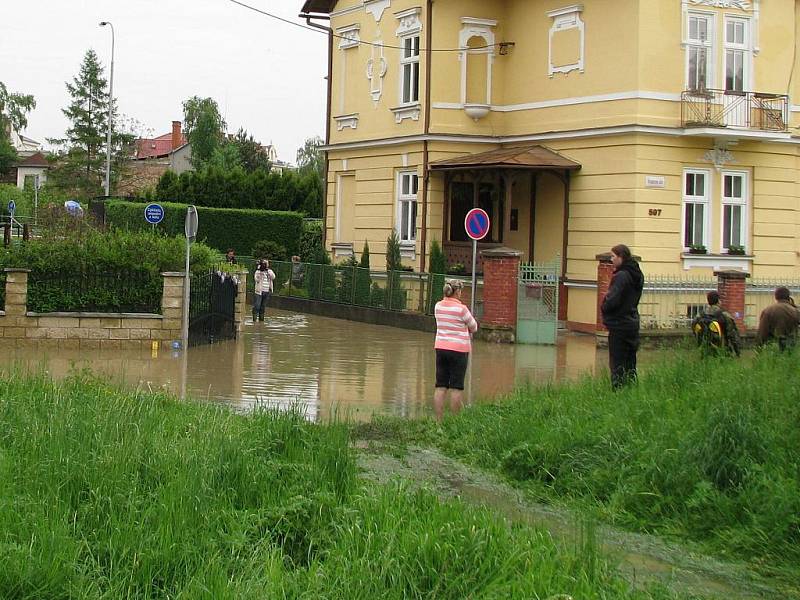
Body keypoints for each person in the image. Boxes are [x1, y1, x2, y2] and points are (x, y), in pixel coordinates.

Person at [433, 279, 478, 421]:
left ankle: (439, 422)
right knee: (456, 387)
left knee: (440, 386)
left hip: (440, 348)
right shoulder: (462, 309)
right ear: (457, 291)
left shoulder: (437, 306)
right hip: (459, 351)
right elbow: (474, 327)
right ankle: (455, 421)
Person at [601, 244, 644, 390]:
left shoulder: (621, 276)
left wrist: (604, 305)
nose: (611, 259)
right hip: (632, 323)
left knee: (617, 361)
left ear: (621, 257)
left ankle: (617, 390)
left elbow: (612, 300)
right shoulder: (637, 274)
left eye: (613, 256)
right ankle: (631, 388)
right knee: (630, 360)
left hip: (619, 324)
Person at [755, 286, 800, 350]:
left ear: (776, 297)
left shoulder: (768, 310)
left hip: (773, 347)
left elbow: (762, 332)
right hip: (791, 347)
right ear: (788, 297)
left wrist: (758, 348)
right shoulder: (795, 311)